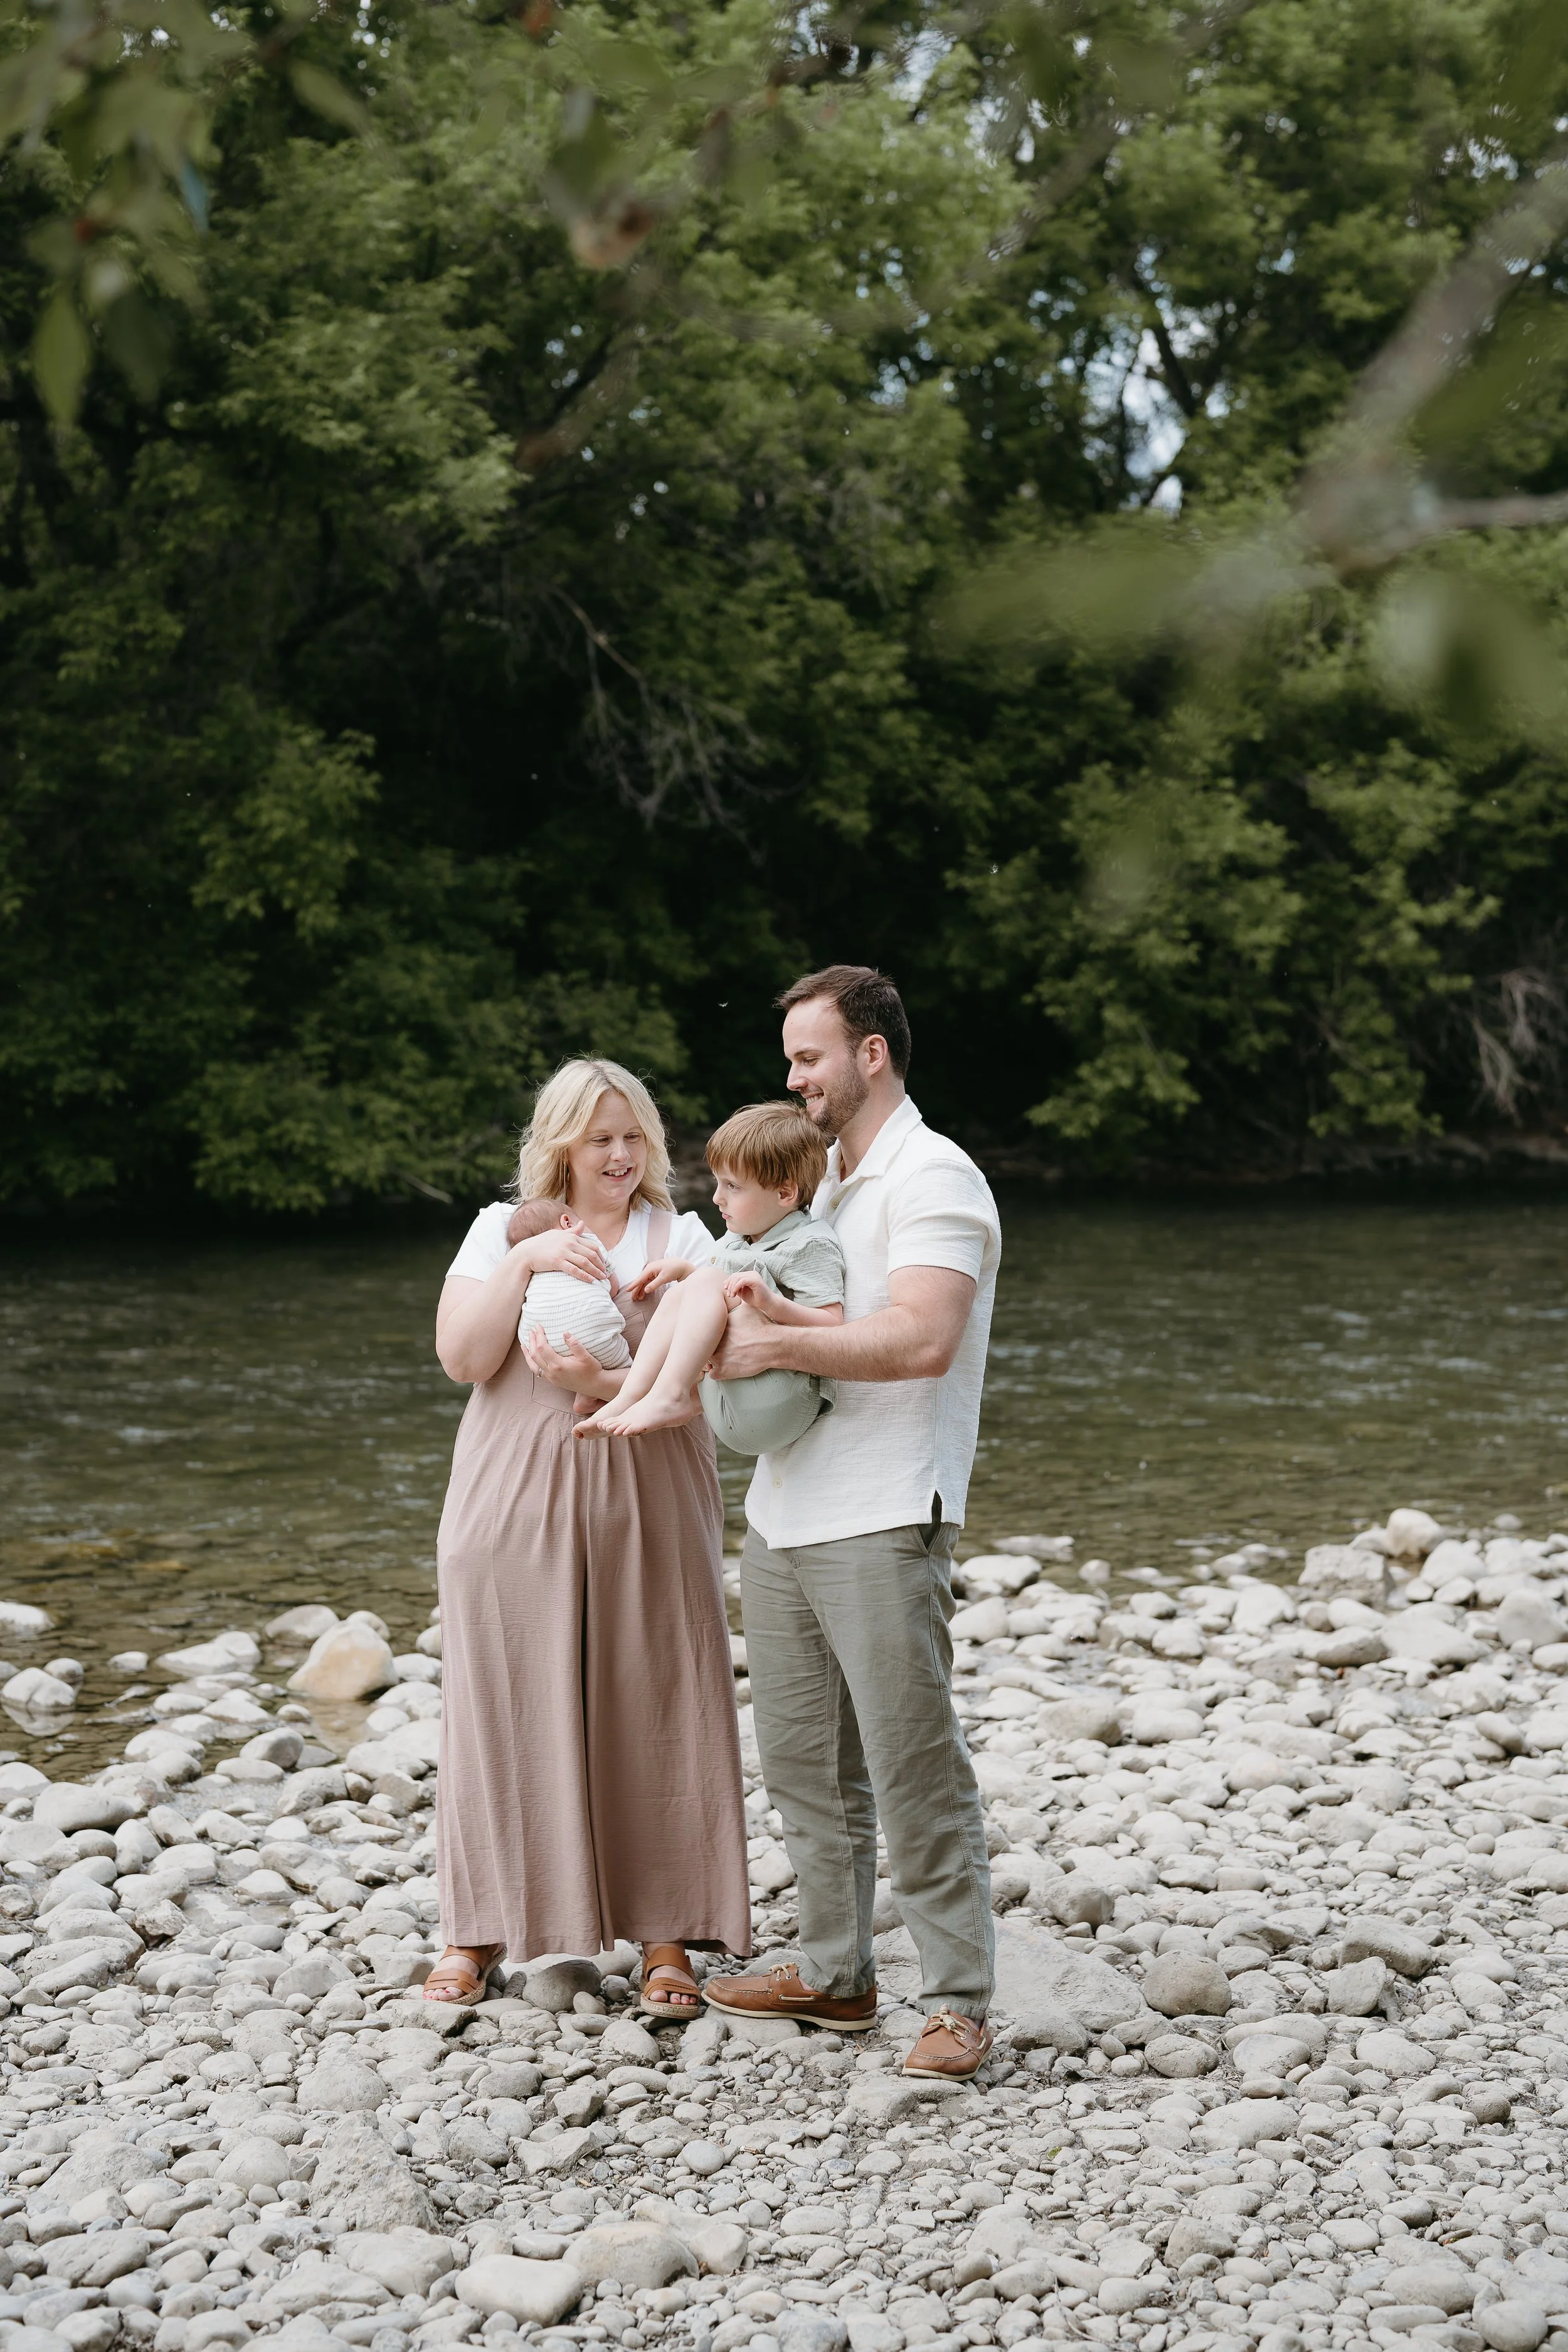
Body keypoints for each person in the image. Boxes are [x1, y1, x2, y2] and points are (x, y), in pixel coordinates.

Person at [701, 966, 1003, 2080]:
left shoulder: (937, 1178)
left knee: (912, 1760)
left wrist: (776, 1341)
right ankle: (836, 1975)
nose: (794, 1077)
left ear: (871, 1054)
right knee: (802, 1763)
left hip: (885, 1509)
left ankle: (960, 1998)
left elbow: (921, 1337)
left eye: (810, 1056)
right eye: (791, 1058)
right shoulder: (814, 1185)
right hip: (787, 1509)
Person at [428, 1058, 751, 2014]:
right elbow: (462, 1358)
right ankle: (476, 1930)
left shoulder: (684, 1235)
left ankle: (666, 1938)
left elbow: (715, 1383)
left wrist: (616, 1380)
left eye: (633, 1135)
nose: (618, 1154)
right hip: (512, 1488)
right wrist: (528, 1263)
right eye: (599, 1136)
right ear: (558, 1143)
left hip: (649, 1489)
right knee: (502, 1698)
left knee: (658, 1695)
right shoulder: (500, 1230)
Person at [575, 1100, 846, 1452]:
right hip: (730, 1404)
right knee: (682, 1291)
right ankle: (629, 1396)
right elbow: (717, 1294)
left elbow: (834, 1326)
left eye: (732, 1186)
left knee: (703, 1281)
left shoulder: (809, 1243)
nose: (717, 1198)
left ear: (785, 1193)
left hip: (781, 1402)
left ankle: (671, 1395)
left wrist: (773, 1305)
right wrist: (686, 1272)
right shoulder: (737, 1238)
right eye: (718, 1183)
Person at [506, 1198, 630, 1376]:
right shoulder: (584, 1241)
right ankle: (594, 1392)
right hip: (597, 1337)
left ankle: (584, 1393)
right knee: (627, 1370)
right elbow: (613, 1285)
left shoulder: (529, 1268)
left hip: (541, 1347)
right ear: (567, 1222)